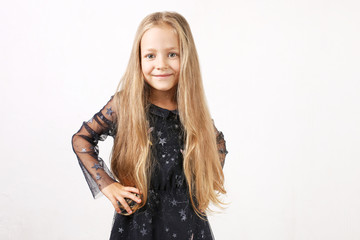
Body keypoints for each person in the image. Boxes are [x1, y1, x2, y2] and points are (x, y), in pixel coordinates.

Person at [71, 11, 229, 240]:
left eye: (172, 54)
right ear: (139, 59)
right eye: (150, 56)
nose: (161, 64)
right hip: (139, 225)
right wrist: (107, 185)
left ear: (187, 58)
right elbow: (82, 139)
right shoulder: (125, 105)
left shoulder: (191, 110)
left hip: (188, 225)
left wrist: (204, 180)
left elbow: (218, 142)